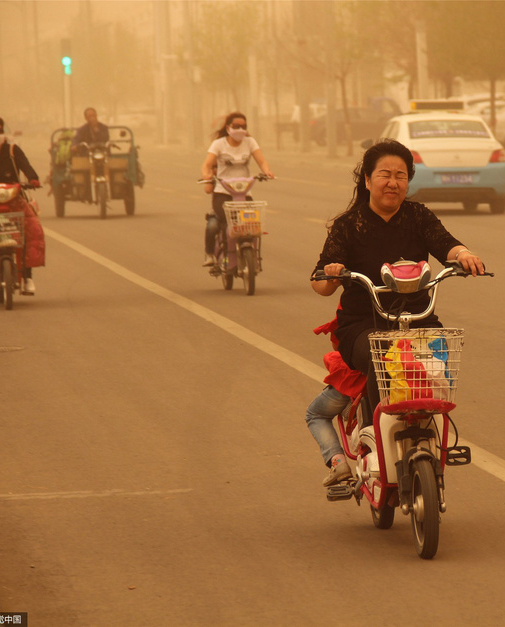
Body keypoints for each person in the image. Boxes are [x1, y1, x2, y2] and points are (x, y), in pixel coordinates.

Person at [311, 139, 484, 421]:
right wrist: (331, 275)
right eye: (385, 175)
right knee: (384, 358)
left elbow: (446, 244)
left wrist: (464, 254)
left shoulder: (418, 216)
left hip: (418, 319)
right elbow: (318, 284)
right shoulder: (349, 225)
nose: (393, 183)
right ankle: (379, 428)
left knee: (438, 361)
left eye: (400, 176)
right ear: (368, 180)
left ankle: (430, 430)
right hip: (365, 325)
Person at [0, 116, 45, 294]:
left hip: (14, 199)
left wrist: (33, 179)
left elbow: (26, 166)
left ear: (3, 132)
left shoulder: (12, 150)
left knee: (32, 228)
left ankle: (27, 277)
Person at [200, 112, 274, 266]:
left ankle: (250, 255)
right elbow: (207, 164)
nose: (240, 129)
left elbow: (261, 160)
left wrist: (266, 171)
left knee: (250, 226)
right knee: (225, 224)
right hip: (223, 192)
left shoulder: (250, 142)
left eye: (243, 126)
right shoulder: (219, 144)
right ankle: (213, 255)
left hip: (244, 192)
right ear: (228, 128)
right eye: (236, 126)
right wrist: (207, 175)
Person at [305, 315, 366, 487]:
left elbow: (339, 343)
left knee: (315, 414)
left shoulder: (355, 295)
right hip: (399, 373)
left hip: (356, 378)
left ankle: (338, 462)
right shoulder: (419, 297)